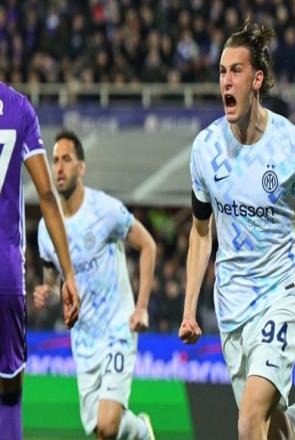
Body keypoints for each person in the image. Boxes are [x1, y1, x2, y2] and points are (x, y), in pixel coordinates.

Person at [178, 22, 295, 440]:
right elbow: (201, 233)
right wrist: (189, 308)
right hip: (231, 306)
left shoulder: (292, 147)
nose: (226, 80)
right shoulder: (205, 150)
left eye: (236, 71)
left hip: (279, 296)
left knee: (247, 423)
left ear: (256, 80)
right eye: (222, 71)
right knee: (273, 432)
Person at [34, 130, 156, 440]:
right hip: (84, 341)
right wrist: (47, 292)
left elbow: (148, 245)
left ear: (81, 167)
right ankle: (140, 431)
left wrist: (141, 307)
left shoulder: (105, 210)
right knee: (101, 431)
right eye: (55, 161)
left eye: (66, 160)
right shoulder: (46, 230)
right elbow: (54, 280)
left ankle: (141, 432)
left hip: (117, 328)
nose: (59, 168)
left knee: (107, 425)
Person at [0, 83, 80, 440]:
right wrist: (69, 275)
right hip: (5, 273)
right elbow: (47, 195)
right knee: (10, 386)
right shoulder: (18, 108)